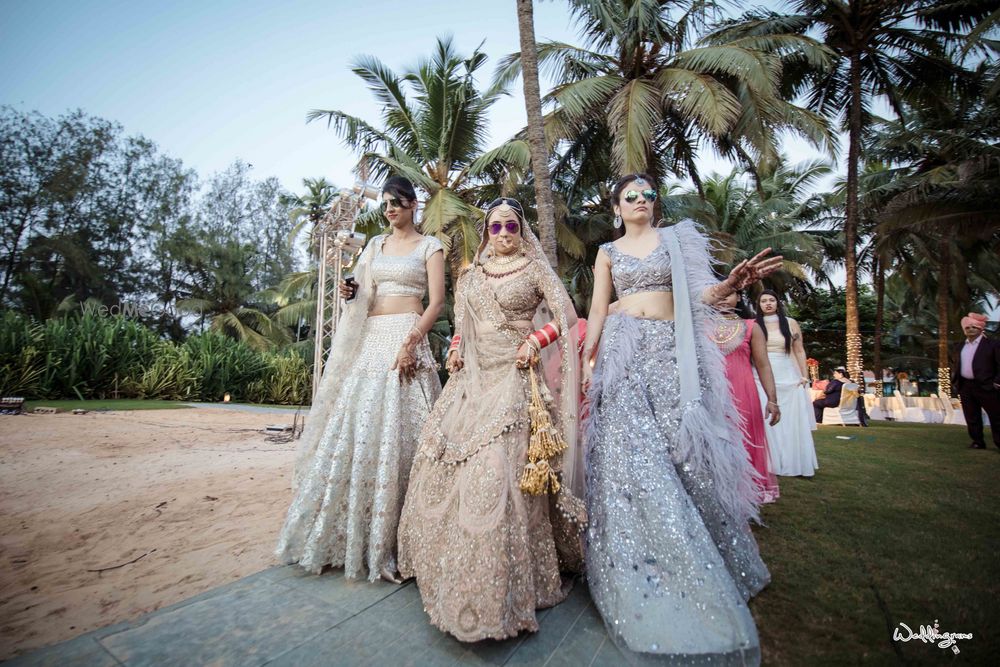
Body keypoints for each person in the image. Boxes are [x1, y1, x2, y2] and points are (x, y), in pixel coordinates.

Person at [582, 173, 779, 665]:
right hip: (623, 355)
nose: (642, 201)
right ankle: (639, 559)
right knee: (632, 459)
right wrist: (589, 359)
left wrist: (731, 284)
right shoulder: (607, 251)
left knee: (682, 454)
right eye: (632, 195)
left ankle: (712, 557)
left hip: (671, 355)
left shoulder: (675, 241)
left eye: (649, 195)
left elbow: (702, 297)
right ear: (616, 205)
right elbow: (598, 306)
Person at [397, 197, 585, 642]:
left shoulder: (535, 269)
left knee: (495, 474)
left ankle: (500, 592)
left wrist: (536, 341)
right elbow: (462, 322)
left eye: (511, 227)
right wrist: (456, 347)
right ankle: (442, 570)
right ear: (486, 233)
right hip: (471, 385)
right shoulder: (471, 275)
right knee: (442, 467)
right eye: (495, 228)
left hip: (516, 380)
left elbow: (569, 315)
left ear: (522, 230)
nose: (503, 235)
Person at [275, 175, 445, 582]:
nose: (390, 209)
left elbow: (437, 302)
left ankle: (406, 540)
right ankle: (355, 538)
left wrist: (412, 341)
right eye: (386, 203)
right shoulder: (373, 246)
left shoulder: (430, 246)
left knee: (404, 437)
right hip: (370, 338)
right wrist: (353, 294)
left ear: (413, 205)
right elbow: (363, 291)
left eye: (398, 203)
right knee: (361, 431)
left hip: (407, 334)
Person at [714, 291, 781, 503]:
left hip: (743, 394)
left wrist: (772, 399)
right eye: (719, 294)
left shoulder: (752, 326)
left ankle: (745, 499)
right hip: (711, 395)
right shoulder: (698, 325)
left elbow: (763, 364)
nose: (724, 299)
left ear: (739, 297)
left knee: (744, 443)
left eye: (729, 294)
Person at [754, 290, 818, 477]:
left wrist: (804, 376)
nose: (768, 304)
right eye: (763, 300)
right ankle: (769, 463)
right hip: (761, 375)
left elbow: (798, 351)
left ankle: (792, 462)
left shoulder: (790, 323)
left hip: (788, 375)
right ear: (758, 305)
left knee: (790, 421)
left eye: (771, 300)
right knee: (765, 421)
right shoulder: (755, 324)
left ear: (777, 303)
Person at [951, 312, 1000, 449]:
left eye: (974, 327)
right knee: (971, 416)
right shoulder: (961, 346)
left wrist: (997, 382)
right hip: (966, 385)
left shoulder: (992, 345)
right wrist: (956, 382)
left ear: (980, 329)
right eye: (967, 327)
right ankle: (977, 441)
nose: (970, 329)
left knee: (996, 416)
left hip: (987, 386)